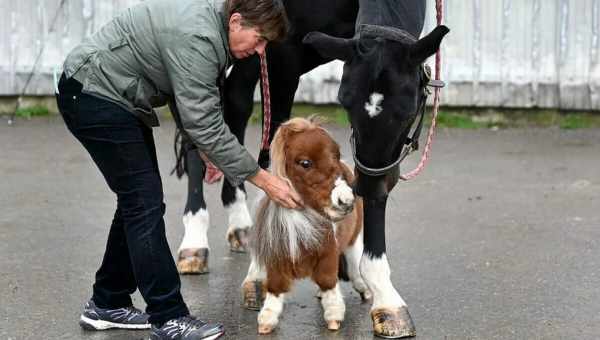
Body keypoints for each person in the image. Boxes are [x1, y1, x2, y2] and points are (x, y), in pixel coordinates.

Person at [55, 0, 301, 339]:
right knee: (143, 203)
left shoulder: (209, 32)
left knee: (137, 202)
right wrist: (264, 180)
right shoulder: (199, 38)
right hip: (94, 94)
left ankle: (107, 301)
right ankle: (168, 316)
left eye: (266, 45)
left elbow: (186, 96)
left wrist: (206, 151)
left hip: (108, 95)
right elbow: (204, 121)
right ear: (236, 21)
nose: (261, 51)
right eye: (259, 39)